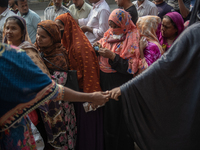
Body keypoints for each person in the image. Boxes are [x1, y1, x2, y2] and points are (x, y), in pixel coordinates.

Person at [108, 2, 200, 149]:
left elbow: (151, 69)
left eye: (166, 26)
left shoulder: (188, 37)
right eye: (161, 26)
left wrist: (124, 88)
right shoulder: (153, 42)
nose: (162, 29)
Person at [0, 42, 109, 150]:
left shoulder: (11, 56)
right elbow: (51, 90)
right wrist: (91, 97)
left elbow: (51, 89)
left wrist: (90, 97)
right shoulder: (11, 55)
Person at [93, 9, 141, 150]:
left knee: (119, 120)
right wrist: (97, 47)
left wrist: (113, 57)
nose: (113, 29)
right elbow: (98, 43)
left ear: (124, 24)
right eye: (110, 25)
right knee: (108, 118)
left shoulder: (131, 38)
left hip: (119, 84)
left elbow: (131, 68)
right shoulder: (108, 35)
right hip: (105, 81)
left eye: (116, 26)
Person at [55, 13, 103, 150]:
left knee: (87, 129)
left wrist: (91, 98)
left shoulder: (79, 46)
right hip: (76, 92)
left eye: (60, 27)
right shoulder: (68, 42)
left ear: (68, 27)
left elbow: (90, 73)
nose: (58, 31)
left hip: (86, 93)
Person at [35, 20, 78, 149]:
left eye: (43, 36)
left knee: (61, 140)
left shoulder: (58, 57)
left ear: (53, 37)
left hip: (59, 108)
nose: (38, 39)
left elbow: (55, 86)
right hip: (46, 108)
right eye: (37, 34)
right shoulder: (37, 51)